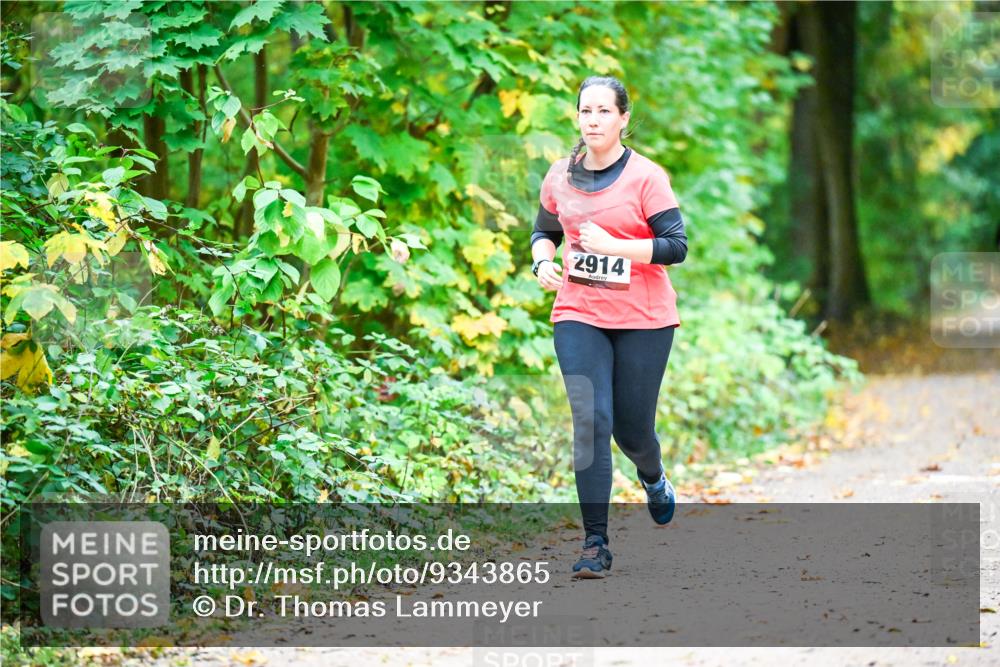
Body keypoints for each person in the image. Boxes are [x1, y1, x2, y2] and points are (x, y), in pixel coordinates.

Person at [529, 75, 688, 579]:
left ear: (623, 118)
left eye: (603, 111)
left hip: (644, 318)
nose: (592, 120)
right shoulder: (560, 175)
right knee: (592, 421)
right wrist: (542, 262)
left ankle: (653, 475)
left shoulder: (646, 177)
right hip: (578, 312)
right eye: (585, 111)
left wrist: (616, 246)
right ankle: (595, 544)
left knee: (632, 428)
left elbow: (675, 246)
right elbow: (544, 230)